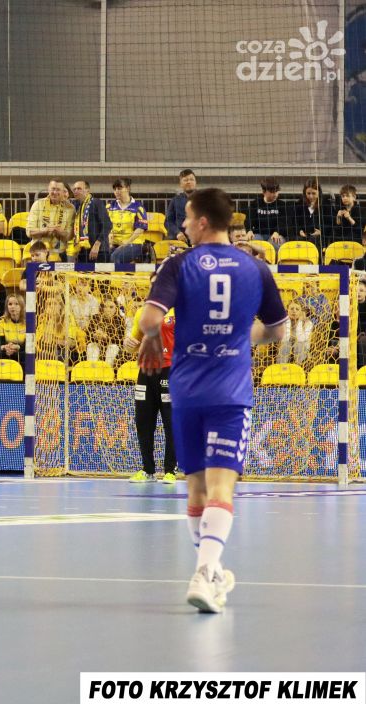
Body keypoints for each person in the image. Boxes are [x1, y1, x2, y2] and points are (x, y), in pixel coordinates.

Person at [137, 187, 288, 613]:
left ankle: (212, 572)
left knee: (196, 487)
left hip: (186, 389)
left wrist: (151, 339)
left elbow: (149, 319)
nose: (183, 225)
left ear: (203, 222)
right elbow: (277, 330)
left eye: (187, 218)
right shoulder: (256, 268)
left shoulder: (178, 263)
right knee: (222, 487)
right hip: (230, 391)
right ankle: (205, 573)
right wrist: (240, 337)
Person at [124, 276, 176, 484]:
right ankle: (147, 470)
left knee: (170, 421)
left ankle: (170, 470)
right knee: (143, 421)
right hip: (145, 371)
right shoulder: (142, 312)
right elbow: (133, 343)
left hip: (169, 370)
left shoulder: (179, 311)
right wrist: (129, 344)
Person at [27, 179, 76, 258]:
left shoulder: (70, 208)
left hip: (60, 254)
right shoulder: (38, 204)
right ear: (48, 189)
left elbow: (70, 236)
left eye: (58, 190)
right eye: (53, 189)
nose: (55, 192)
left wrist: (60, 231)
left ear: (63, 191)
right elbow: (29, 231)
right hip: (39, 253)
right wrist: (45, 230)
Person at [105, 178, 149, 264]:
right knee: (103, 256)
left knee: (115, 257)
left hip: (134, 243)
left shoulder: (138, 207)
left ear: (128, 188)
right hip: (114, 243)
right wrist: (109, 236)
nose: (117, 191)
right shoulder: (109, 206)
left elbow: (140, 229)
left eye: (119, 188)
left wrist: (127, 242)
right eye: (115, 189)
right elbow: (105, 225)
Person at [73, 180, 114, 263]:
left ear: (87, 190)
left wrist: (97, 245)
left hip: (99, 250)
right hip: (83, 251)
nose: (76, 191)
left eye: (79, 188)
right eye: (74, 189)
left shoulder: (96, 202)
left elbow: (107, 225)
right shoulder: (78, 207)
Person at [245, 177, 288, 245]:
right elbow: (249, 220)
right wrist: (249, 231)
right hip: (258, 234)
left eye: (276, 191)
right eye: (272, 192)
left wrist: (277, 232)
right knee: (255, 242)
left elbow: (283, 222)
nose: (275, 194)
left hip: (276, 234)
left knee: (276, 243)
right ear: (263, 192)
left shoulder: (282, 205)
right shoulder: (255, 204)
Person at [294, 178, 334, 246]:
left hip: (320, 237)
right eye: (308, 193)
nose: (311, 196)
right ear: (304, 193)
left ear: (319, 192)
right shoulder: (299, 204)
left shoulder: (326, 205)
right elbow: (295, 221)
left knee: (314, 240)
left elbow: (331, 223)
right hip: (302, 236)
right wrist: (299, 231)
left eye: (313, 193)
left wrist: (321, 231)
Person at [163, 169, 197, 243]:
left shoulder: (205, 200)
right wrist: (177, 233)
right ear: (181, 184)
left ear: (195, 182)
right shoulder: (175, 200)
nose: (188, 182)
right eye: (185, 180)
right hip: (179, 240)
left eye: (191, 179)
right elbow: (168, 221)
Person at [0, 294, 25, 361]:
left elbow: (29, 345)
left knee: (24, 355)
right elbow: (0, 343)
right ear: (7, 307)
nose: (12, 307)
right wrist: (5, 347)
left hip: (21, 351)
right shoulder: (1, 322)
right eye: (10, 304)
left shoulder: (28, 323)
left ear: (22, 306)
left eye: (16, 304)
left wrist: (17, 347)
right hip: (6, 351)